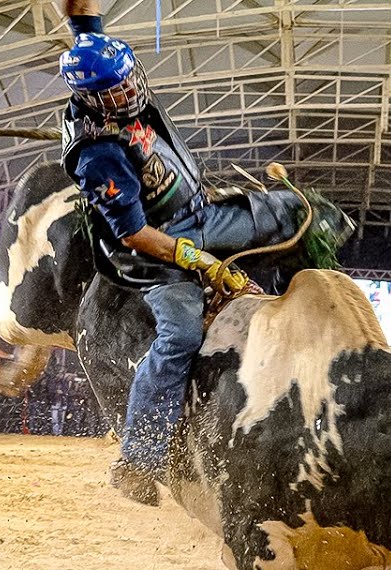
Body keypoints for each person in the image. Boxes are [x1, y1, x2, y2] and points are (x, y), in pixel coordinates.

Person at [57, 0, 353, 503]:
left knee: (304, 215)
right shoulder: (98, 154)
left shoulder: (100, 61)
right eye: (118, 91)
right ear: (94, 99)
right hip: (155, 253)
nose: (131, 92)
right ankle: (138, 457)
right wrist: (202, 262)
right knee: (180, 335)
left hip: (199, 214)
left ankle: (315, 325)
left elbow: (81, 11)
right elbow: (134, 234)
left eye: (130, 80)